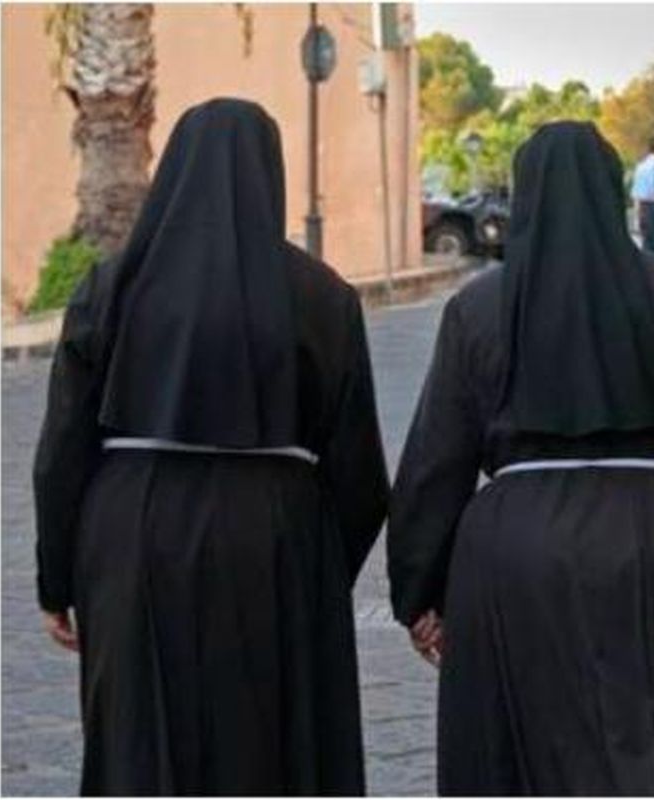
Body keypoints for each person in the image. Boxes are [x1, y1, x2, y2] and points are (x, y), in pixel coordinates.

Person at [387, 121, 654, 795]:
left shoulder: (477, 308)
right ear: (611, 195)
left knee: (521, 759)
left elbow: (436, 461)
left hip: (512, 554)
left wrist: (419, 592)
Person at [32, 98, 389, 795]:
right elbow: (357, 470)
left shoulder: (110, 287)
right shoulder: (324, 297)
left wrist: (58, 577)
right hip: (276, 536)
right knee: (274, 743)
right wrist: (313, 565)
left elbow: (62, 447)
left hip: (131, 535)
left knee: (140, 737)